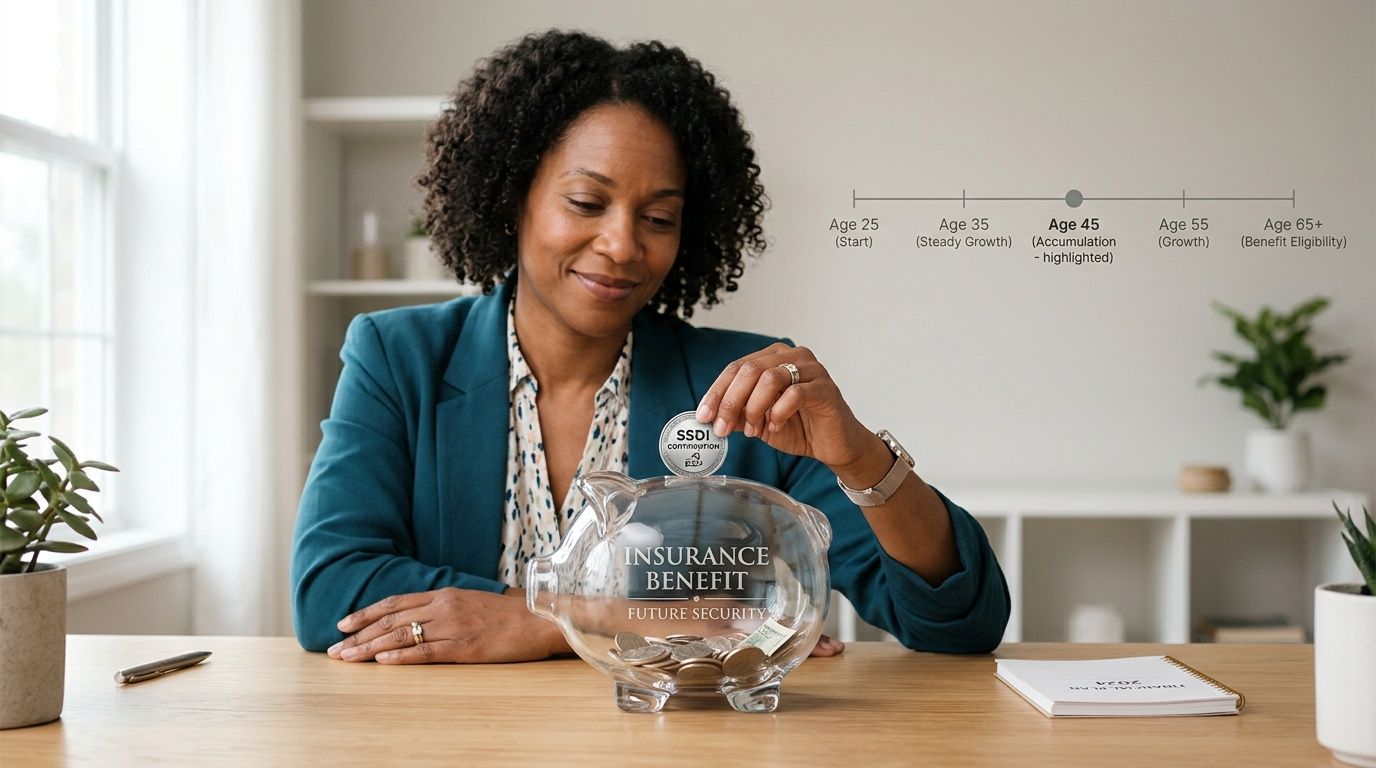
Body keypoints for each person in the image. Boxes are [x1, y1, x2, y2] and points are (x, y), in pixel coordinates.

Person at [291, 29, 1009, 665]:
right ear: (514, 197)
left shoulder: (746, 388)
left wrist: (856, 452)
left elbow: (957, 625)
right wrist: (643, 615)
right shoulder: (399, 355)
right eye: (586, 203)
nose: (622, 245)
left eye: (659, 217)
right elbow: (330, 589)